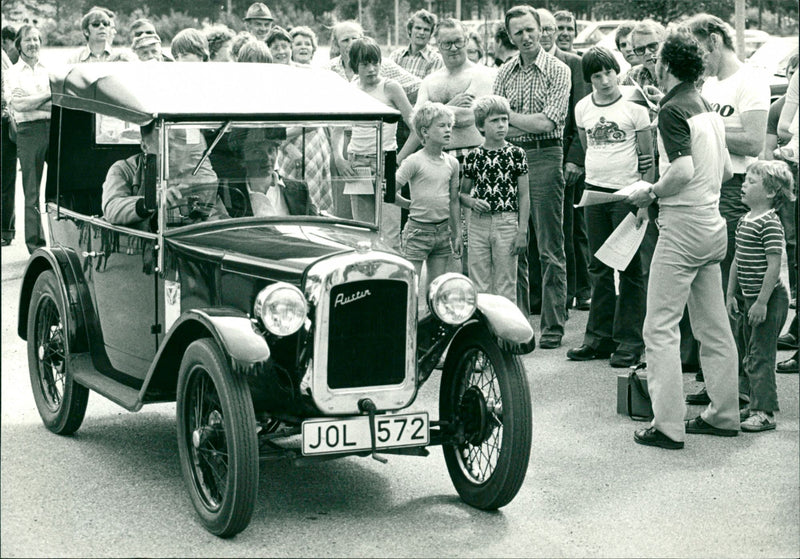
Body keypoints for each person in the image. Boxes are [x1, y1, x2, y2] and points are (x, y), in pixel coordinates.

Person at [627, 27, 739, 450]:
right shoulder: (707, 105)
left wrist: (649, 190)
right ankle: (725, 413)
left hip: (682, 226)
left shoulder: (672, 109)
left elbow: (681, 172)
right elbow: (725, 171)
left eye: (657, 60)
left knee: (659, 328)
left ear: (667, 64)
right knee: (713, 327)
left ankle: (668, 425)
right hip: (712, 222)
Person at [683, 14, 771, 407]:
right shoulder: (708, 84)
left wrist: (706, 132)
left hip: (736, 189)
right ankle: (718, 378)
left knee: (731, 290)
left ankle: (741, 383)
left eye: (700, 51)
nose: (698, 61)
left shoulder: (748, 81)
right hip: (706, 187)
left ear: (715, 41)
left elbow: (753, 141)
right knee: (710, 293)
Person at [567, 46, 653, 368]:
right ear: (589, 79)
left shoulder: (634, 109)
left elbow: (647, 158)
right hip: (595, 194)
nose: (604, 81)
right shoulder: (582, 108)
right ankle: (598, 338)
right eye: (596, 76)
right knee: (598, 266)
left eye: (608, 73)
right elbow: (588, 145)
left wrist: (644, 199)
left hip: (628, 195)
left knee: (630, 269)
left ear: (617, 72)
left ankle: (630, 341)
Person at [494, 5, 570, 348]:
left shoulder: (559, 69)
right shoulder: (505, 71)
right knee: (515, 244)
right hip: (509, 156)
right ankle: (520, 327)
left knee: (550, 246)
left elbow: (548, 123)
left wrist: (510, 117)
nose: (525, 37)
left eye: (529, 30)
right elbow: (494, 123)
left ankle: (553, 326)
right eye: (517, 33)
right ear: (509, 36)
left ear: (541, 29)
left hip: (544, 154)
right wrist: (512, 120)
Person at [397, 18, 496, 276]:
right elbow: (417, 120)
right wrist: (454, 104)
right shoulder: (431, 80)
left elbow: (471, 117)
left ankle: (473, 291)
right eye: (446, 43)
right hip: (438, 161)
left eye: (458, 42)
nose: (453, 48)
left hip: (474, 157)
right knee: (446, 228)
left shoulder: (482, 74)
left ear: (466, 40)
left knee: (474, 230)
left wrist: (437, 111)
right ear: (436, 45)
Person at [728, 160, 794, 432]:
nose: (743, 185)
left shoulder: (770, 223)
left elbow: (774, 265)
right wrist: (731, 293)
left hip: (768, 299)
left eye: (751, 182)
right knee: (749, 353)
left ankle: (765, 412)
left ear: (770, 192)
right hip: (749, 299)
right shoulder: (745, 220)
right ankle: (755, 403)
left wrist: (761, 302)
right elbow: (736, 260)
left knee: (760, 355)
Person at [332, 37, 412, 250]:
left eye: (375, 62)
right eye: (365, 64)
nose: (371, 69)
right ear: (355, 66)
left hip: (386, 161)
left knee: (390, 232)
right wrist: (339, 159)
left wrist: (399, 159)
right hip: (357, 163)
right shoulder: (350, 88)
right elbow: (337, 127)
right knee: (363, 232)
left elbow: (416, 127)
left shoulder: (390, 87)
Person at [537, 8, 592, 313]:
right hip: (539, 157)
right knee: (545, 232)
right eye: (541, 29)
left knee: (572, 230)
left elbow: (580, 115)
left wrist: (575, 159)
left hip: (568, 157)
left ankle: (580, 290)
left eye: (550, 29)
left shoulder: (574, 64)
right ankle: (545, 294)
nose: (545, 34)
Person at [460, 95, 529, 304]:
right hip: (479, 223)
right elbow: (462, 193)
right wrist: (472, 202)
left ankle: (506, 336)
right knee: (479, 283)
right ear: (481, 126)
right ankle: (484, 335)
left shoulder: (516, 154)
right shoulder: (473, 156)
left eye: (504, 120)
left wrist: (522, 230)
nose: (501, 125)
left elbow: (524, 194)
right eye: (494, 121)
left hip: (507, 221)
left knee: (506, 284)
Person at [395, 102, 461, 293]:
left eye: (450, 125)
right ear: (425, 131)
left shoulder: (452, 163)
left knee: (436, 287)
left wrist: (456, 233)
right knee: (411, 285)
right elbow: (390, 191)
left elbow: (454, 199)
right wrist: (409, 205)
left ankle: (429, 321)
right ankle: (409, 321)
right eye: (442, 126)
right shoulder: (414, 161)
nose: (448, 130)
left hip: (442, 230)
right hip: (418, 230)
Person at [102, 123, 219, 226]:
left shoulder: (196, 172)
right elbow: (112, 209)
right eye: (166, 148)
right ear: (144, 146)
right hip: (145, 245)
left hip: (185, 244)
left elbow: (217, 215)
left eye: (179, 148)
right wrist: (152, 201)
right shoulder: (123, 170)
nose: (173, 156)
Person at [6, 25, 49, 253]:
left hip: (52, 129)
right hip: (27, 132)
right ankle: (35, 246)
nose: (33, 44)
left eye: (36, 39)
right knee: (31, 191)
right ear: (19, 45)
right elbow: (18, 105)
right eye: (28, 40)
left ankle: (63, 240)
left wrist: (33, 99)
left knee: (59, 186)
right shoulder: (12, 73)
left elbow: (59, 103)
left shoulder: (49, 69)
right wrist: (47, 96)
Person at [325, 21, 420, 102]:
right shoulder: (328, 70)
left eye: (355, 38)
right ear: (336, 44)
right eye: (345, 40)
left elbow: (417, 86)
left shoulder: (382, 65)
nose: (352, 43)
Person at [238, 130, 317, 217]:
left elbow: (316, 226)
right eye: (257, 152)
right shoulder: (233, 195)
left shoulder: (299, 190)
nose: (267, 158)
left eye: (271, 150)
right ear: (242, 159)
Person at [390, 10, 443, 80]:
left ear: (431, 34)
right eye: (418, 28)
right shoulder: (396, 56)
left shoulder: (436, 60)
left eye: (426, 30)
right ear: (409, 30)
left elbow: (429, 89)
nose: (421, 32)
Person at [67, 8, 133, 63]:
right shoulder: (74, 59)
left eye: (105, 24)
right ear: (86, 32)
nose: (102, 26)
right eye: (96, 24)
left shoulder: (122, 57)